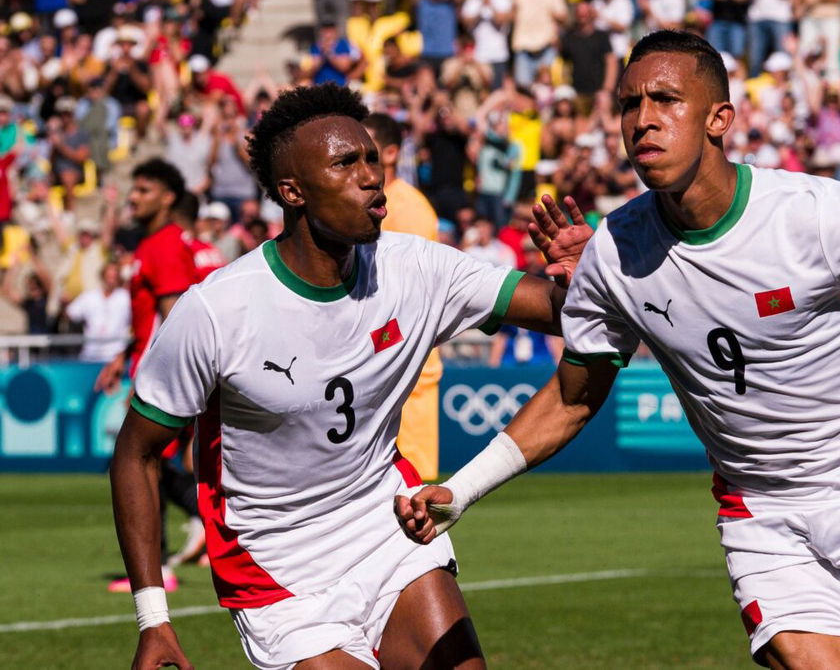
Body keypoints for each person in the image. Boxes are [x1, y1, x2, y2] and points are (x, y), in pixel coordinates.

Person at [397, 31, 840, 669]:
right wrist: (461, 489)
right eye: (628, 103)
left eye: (666, 100)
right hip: (765, 519)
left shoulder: (811, 216)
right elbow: (572, 397)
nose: (642, 118)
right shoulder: (613, 253)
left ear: (720, 119)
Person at [110, 83, 569, 670]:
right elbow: (137, 455)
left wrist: (581, 279)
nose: (371, 175)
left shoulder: (417, 267)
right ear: (292, 191)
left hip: (387, 528)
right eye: (345, 162)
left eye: (372, 157)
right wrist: (154, 620)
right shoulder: (217, 311)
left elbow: (562, 310)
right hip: (277, 568)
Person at [96, 158, 203, 595]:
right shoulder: (150, 243)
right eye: (134, 189)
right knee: (146, 464)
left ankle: (159, 567)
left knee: (137, 463)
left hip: (161, 375)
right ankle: (194, 528)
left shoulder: (163, 246)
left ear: (167, 197)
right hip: (148, 365)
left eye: (143, 190)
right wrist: (125, 354)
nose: (133, 197)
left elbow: (173, 317)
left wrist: (151, 379)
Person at [363, 111, 444, 481]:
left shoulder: (408, 208)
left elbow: (415, 298)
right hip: (379, 365)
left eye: (366, 150)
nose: (356, 160)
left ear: (391, 153)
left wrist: (373, 343)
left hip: (404, 367)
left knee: (409, 493)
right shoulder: (372, 204)